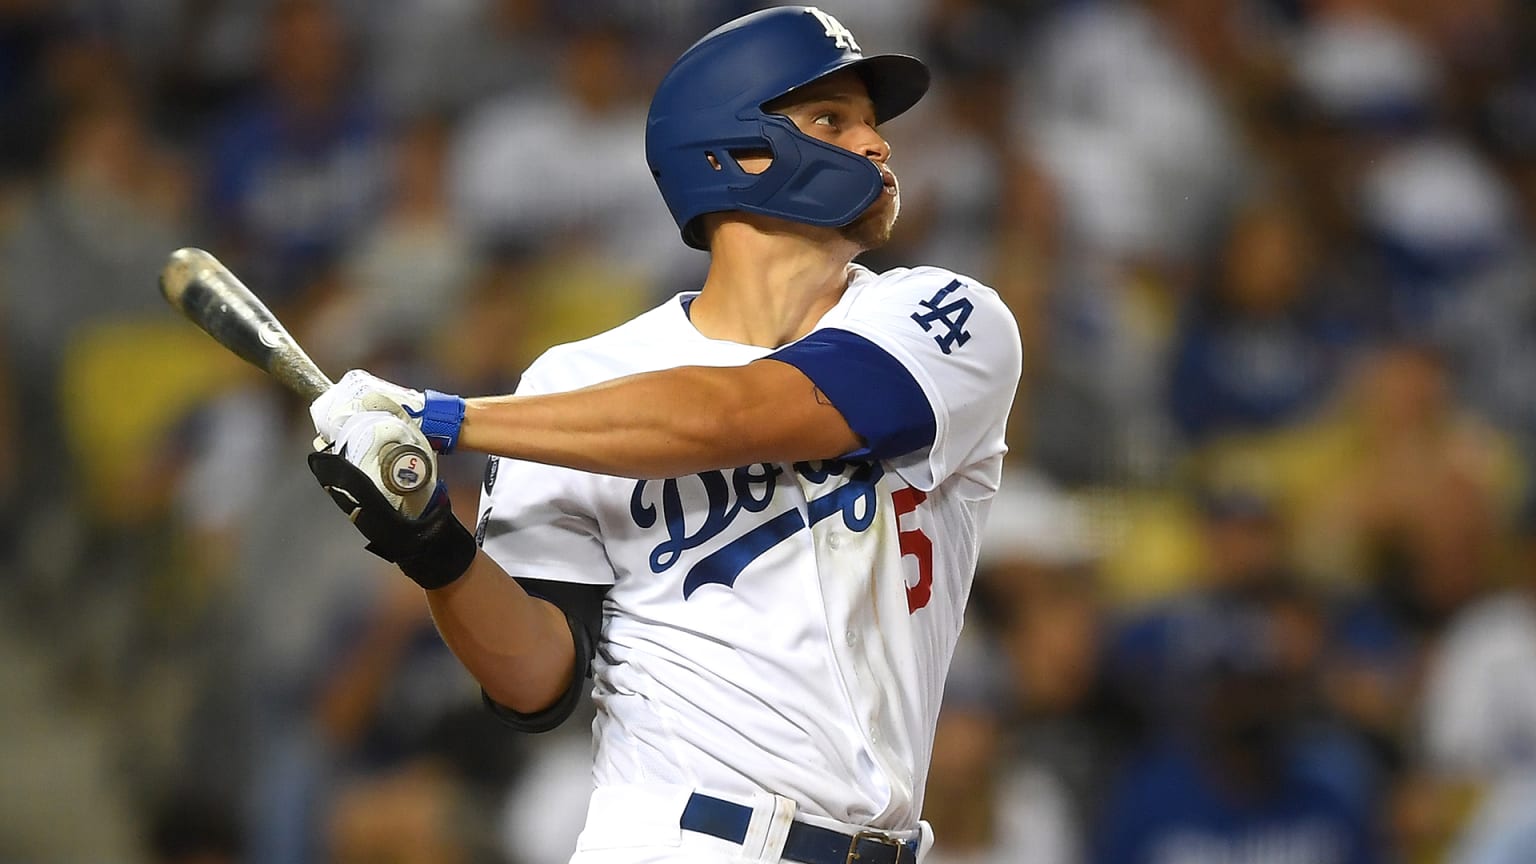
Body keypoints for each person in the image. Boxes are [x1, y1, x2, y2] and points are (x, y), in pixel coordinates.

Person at [304, 7, 1022, 863]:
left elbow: (740, 413)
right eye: (834, 120)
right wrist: (431, 546)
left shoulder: (944, 318)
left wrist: (447, 419)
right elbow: (537, 680)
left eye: (873, 122)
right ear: (732, 151)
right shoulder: (577, 384)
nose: (877, 144)